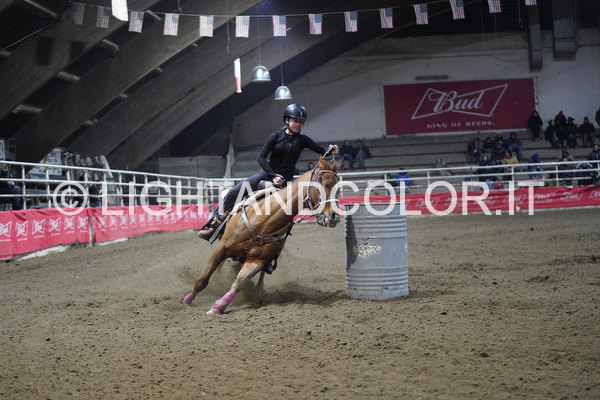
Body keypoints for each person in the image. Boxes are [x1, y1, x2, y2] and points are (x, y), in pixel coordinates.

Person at [198, 104, 338, 240]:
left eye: (301, 122)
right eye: (295, 121)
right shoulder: (276, 136)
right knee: (233, 192)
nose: (298, 124)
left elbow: (322, 151)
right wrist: (273, 175)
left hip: (284, 183)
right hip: (264, 176)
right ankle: (213, 224)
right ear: (287, 120)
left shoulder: (302, 140)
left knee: (288, 215)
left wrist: (331, 149)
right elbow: (261, 158)